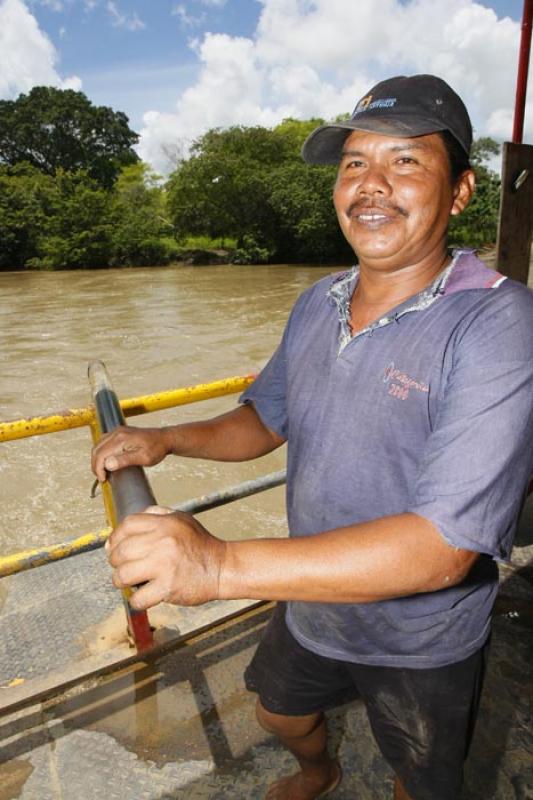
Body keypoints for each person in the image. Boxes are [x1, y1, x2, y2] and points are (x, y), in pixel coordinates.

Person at [92, 74, 533, 800]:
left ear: (458, 191)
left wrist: (219, 565)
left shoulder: (497, 323)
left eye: (404, 162)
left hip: (419, 637)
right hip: (311, 598)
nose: (370, 184)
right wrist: (166, 439)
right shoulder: (317, 301)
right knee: (279, 713)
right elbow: (263, 419)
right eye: (354, 163)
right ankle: (318, 768)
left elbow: (441, 548)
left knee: (420, 776)